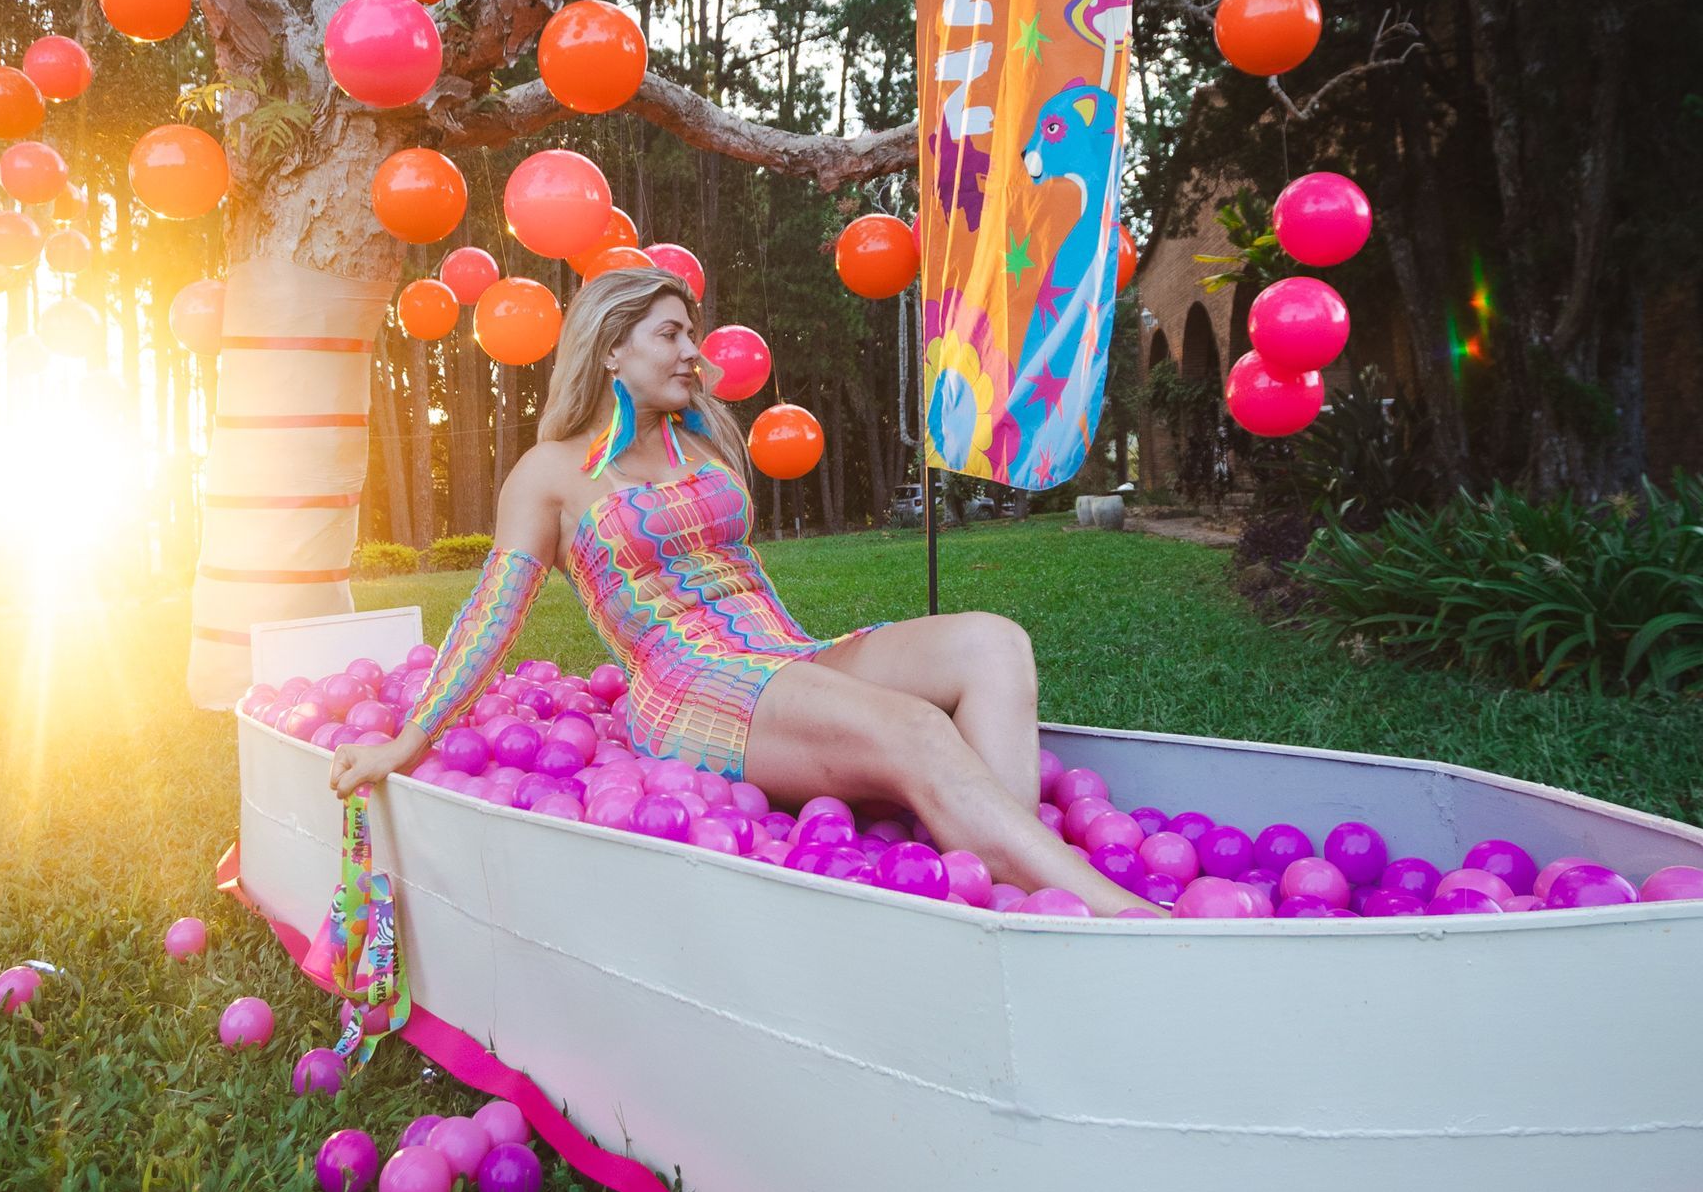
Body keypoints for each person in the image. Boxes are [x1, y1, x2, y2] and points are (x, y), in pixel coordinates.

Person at [330, 266, 1152, 915]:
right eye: (670, 334)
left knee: (994, 641)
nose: (693, 350)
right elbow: (491, 615)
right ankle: (1119, 915)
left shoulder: (700, 441)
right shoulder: (550, 474)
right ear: (610, 350)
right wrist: (409, 739)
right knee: (915, 730)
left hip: (784, 657)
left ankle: (1014, 873)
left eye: (691, 333)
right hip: (690, 685)